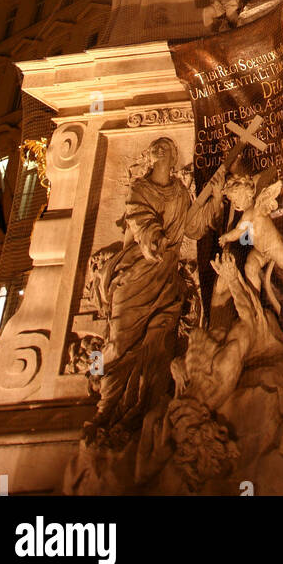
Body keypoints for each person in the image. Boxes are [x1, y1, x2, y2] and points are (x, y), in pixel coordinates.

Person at [84, 137, 190, 445]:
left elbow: (193, 227)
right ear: (156, 158)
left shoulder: (181, 193)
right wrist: (154, 238)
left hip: (166, 281)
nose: (171, 157)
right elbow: (141, 220)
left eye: (172, 152)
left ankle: (142, 412)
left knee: (157, 349)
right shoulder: (140, 190)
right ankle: (99, 392)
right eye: (166, 152)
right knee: (118, 345)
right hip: (135, 280)